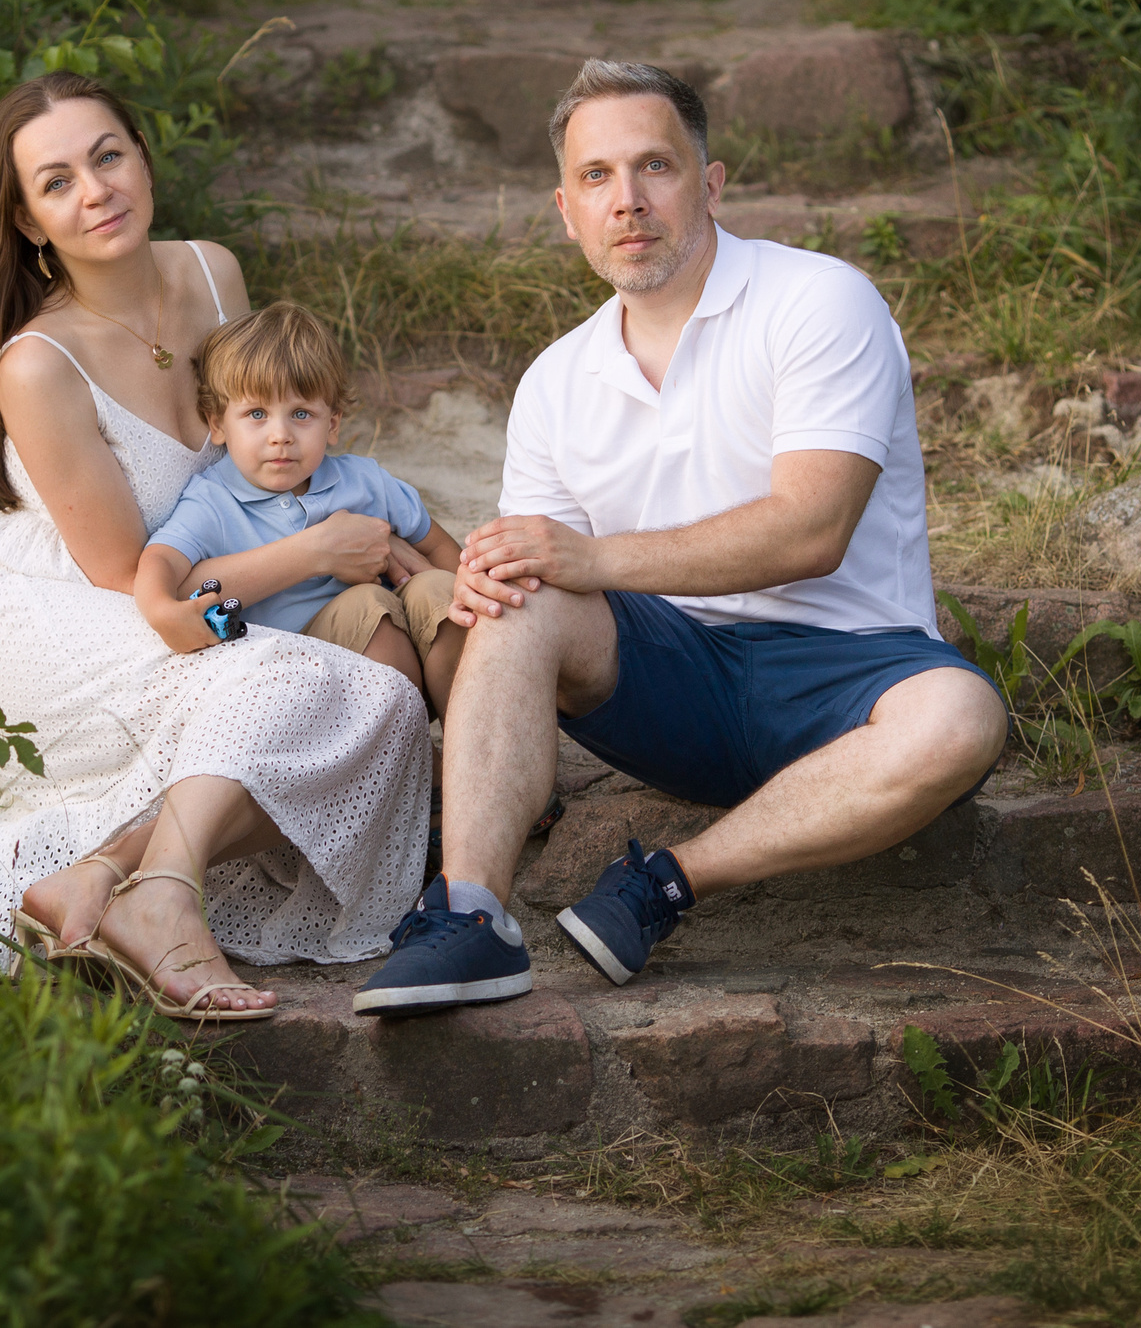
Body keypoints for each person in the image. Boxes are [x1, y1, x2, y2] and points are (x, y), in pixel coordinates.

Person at [351, 60, 1008, 1017]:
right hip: (672, 682)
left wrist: (591, 558)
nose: (627, 200)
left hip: (849, 674)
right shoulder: (555, 381)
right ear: (565, 210)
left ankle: (662, 884)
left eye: (654, 166)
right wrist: (486, 582)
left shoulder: (820, 301)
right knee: (517, 598)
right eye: (596, 177)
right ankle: (470, 917)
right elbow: (538, 586)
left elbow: (813, 529)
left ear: (710, 181)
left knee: (962, 719)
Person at [0, 72, 433, 1021]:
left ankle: (108, 875)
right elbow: (129, 576)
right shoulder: (38, 364)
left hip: (218, 579)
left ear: (143, 160)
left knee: (389, 704)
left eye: (108, 156)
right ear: (29, 221)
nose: (96, 190)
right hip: (78, 612)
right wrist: (322, 552)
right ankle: (165, 899)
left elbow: (258, 448)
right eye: (57, 181)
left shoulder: (210, 272)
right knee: (305, 683)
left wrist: (361, 530)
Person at [134, 302, 467, 714]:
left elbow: (439, 548)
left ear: (332, 424)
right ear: (217, 424)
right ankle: (409, 752)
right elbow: (162, 558)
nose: (281, 436)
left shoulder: (364, 480)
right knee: (367, 605)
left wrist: (462, 595)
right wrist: (160, 608)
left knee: (441, 588)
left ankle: (465, 735)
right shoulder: (213, 501)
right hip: (308, 676)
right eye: (256, 413)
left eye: (301, 414)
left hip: (414, 654)